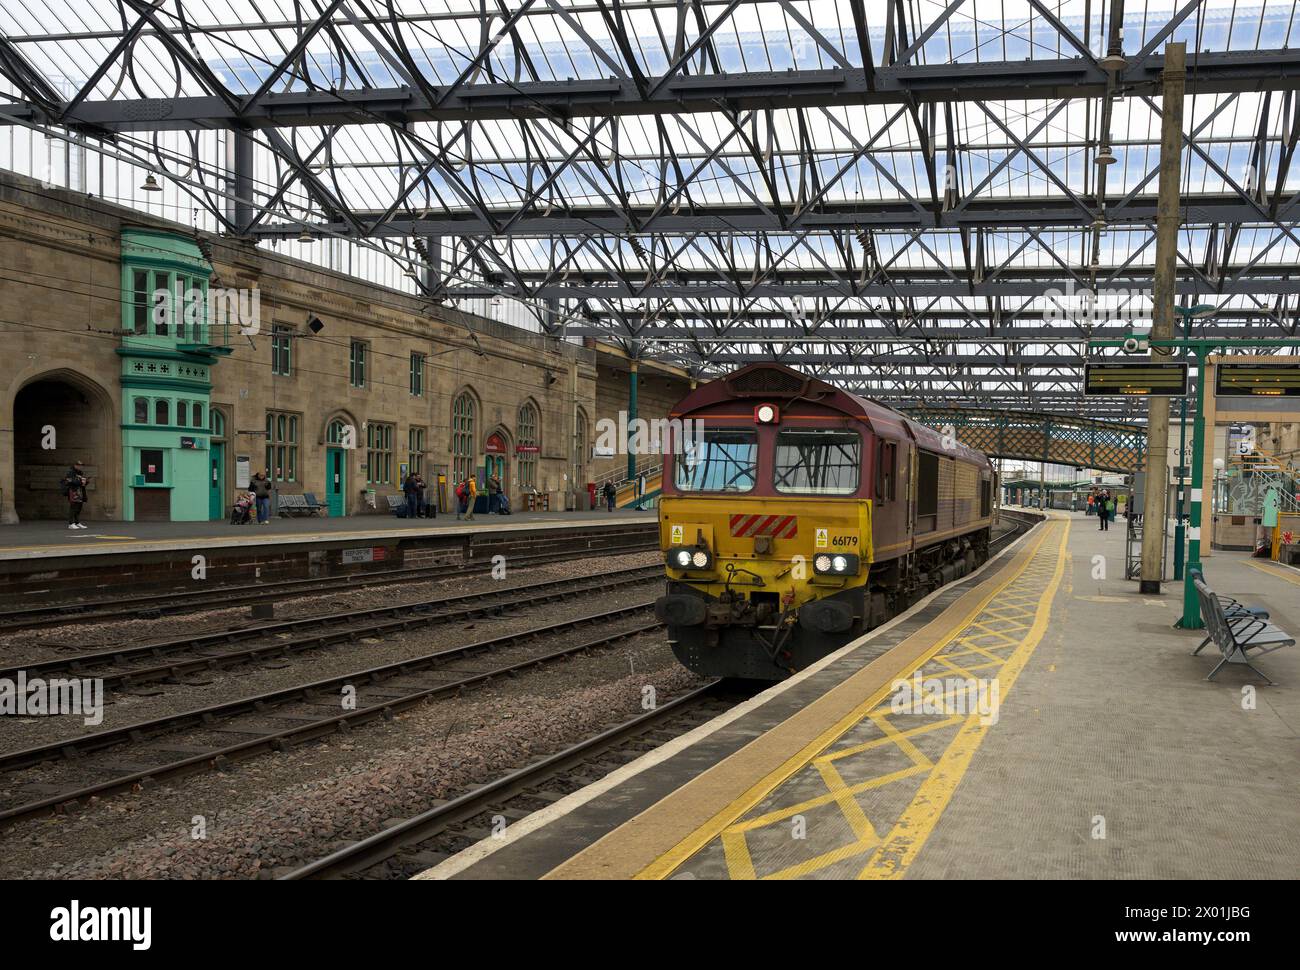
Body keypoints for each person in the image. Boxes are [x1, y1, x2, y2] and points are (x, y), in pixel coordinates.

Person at [60, 461, 89, 530]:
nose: (80, 467)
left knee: (79, 507)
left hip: (80, 491)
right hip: (73, 491)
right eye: (78, 465)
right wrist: (80, 481)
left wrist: (86, 482)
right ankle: (71, 523)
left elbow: (81, 482)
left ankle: (77, 522)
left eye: (81, 465)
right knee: (73, 507)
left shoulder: (80, 473)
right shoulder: (70, 472)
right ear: (75, 465)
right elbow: (70, 481)